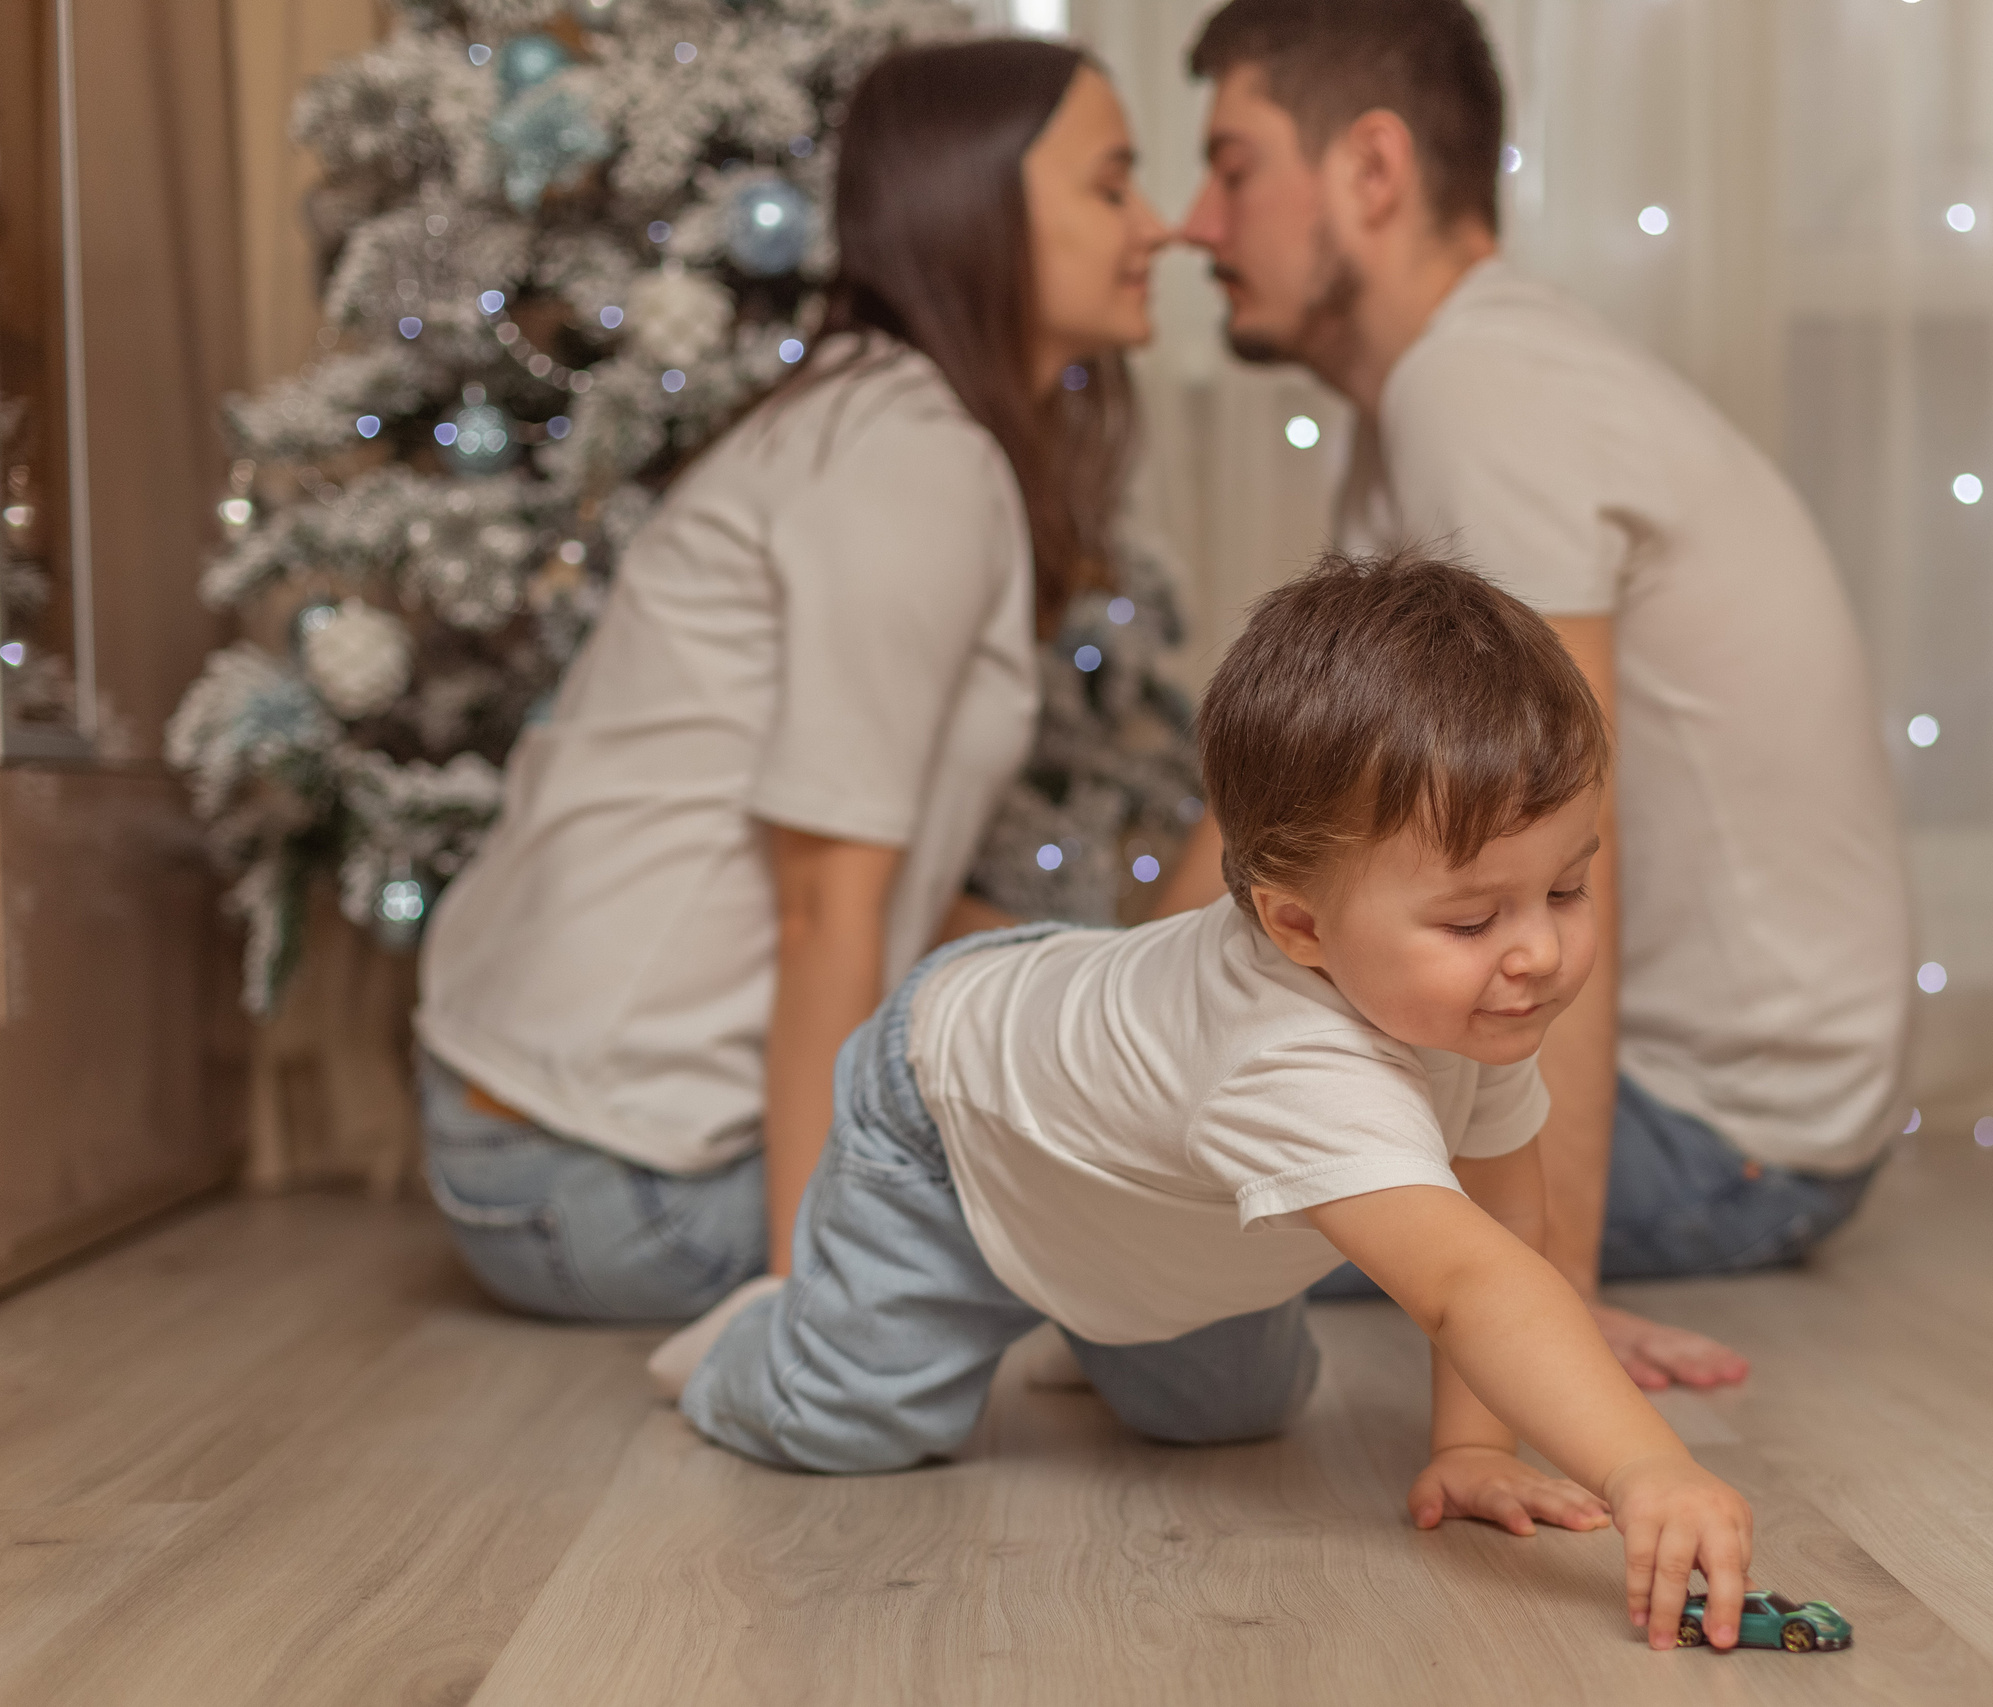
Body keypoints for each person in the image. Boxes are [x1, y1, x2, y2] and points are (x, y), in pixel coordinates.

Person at [658, 553, 1760, 1652]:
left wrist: (1474, 1447)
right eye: (1473, 920)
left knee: (1231, 1418)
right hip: (954, 1122)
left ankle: (1073, 1311)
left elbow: (1500, 1222)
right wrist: (1642, 1462)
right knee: (854, 1423)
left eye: (1567, 888)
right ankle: (754, 1339)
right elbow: (1467, 1287)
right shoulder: (1285, 1058)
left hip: (1129, 1190)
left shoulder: (1470, 1001)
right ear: (1299, 928)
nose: (1536, 951)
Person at [1175, 0, 1914, 1389]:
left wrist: (1545, 1294)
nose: (1196, 225)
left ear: (1372, 171)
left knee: (1138, 1182)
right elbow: (1282, 822)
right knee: (1125, 1104)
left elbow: (1557, 850)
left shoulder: (1482, 391)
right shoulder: (1441, 392)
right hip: (1712, 1108)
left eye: (1232, 165)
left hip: (1717, 1134)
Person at [411, 39, 1172, 1321]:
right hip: (594, 1172)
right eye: (1112, 187)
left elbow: (882, 898)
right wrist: (813, 1311)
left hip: (528, 1125)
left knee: (1150, 1184)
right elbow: (828, 908)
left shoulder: (893, 427)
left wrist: (1103, 989)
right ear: (976, 207)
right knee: (1145, 1230)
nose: (1158, 226)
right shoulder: (906, 456)